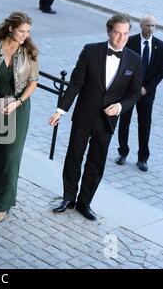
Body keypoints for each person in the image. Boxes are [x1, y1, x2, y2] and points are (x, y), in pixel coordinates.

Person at [50, 13, 143, 221]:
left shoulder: (135, 60)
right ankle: (68, 197)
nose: (121, 38)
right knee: (74, 157)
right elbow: (75, 84)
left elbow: (135, 93)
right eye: (117, 33)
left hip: (107, 121)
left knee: (96, 162)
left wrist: (119, 106)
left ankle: (84, 203)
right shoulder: (90, 51)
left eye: (126, 34)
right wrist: (60, 110)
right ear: (109, 31)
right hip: (84, 116)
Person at [0, 12, 39, 223]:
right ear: (11, 28)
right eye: (22, 31)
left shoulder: (30, 51)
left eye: (28, 31)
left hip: (17, 108)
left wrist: (17, 103)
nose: (25, 35)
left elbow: (33, 82)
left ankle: (4, 201)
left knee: (10, 155)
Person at [115, 14, 163, 172]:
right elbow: (124, 65)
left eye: (153, 26)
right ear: (141, 25)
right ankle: (122, 152)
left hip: (147, 93)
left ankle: (143, 158)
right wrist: (133, 86)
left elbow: (160, 72)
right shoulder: (131, 41)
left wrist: (146, 88)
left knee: (145, 124)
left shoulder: (159, 46)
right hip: (129, 90)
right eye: (148, 25)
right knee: (125, 121)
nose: (150, 29)